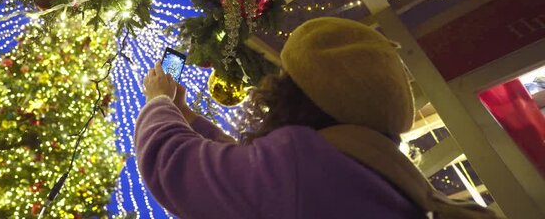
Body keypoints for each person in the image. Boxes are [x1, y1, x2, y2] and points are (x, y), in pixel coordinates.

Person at [135, 17, 498, 219]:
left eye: (285, 78)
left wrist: (158, 100)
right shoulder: (388, 175)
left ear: (301, 93)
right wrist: (187, 118)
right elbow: (259, 177)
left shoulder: (300, 162)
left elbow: (171, 164)